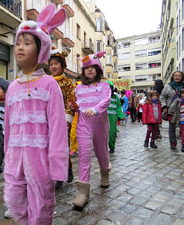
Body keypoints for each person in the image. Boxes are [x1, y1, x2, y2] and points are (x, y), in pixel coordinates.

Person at [3, 4, 67, 224]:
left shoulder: (49, 85)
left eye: (27, 43)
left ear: (41, 50)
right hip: (15, 157)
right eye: (18, 42)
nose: (20, 47)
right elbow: (8, 126)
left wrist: (58, 165)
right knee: (14, 202)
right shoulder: (12, 87)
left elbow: (58, 126)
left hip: (41, 158)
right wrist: (7, 156)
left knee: (41, 207)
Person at [72, 51, 111, 209]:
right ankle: (83, 192)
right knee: (84, 154)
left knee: (102, 153)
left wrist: (95, 109)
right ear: (83, 71)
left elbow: (106, 100)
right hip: (83, 125)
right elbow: (79, 106)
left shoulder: (104, 85)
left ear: (98, 69)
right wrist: (73, 108)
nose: (89, 70)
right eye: (86, 68)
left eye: (93, 67)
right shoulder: (78, 87)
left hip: (100, 124)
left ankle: (105, 173)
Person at [49, 47, 75, 189]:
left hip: (63, 119)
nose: (53, 66)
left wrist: (66, 120)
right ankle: (57, 174)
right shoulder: (46, 81)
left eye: (56, 64)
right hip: (49, 119)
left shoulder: (68, 83)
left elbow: (71, 102)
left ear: (62, 65)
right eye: (51, 64)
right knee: (51, 149)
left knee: (62, 148)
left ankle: (65, 171)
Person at [160, 71, 184, 149]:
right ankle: (173, 143)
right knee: (172, 128)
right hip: (172, 110)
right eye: (175, 75)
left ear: (182, 77)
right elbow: (162, 97)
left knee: (183, 127)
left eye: (179, 75)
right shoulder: (168, 86)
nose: (177, 77)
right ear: (173, 77)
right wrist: (164, 107)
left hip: (182, 109)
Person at [107, 81, 125, 153]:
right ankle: (102, 147)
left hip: (112, 117)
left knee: (112, 132)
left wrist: (121, 115)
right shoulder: (102, 97)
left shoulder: (116, 97)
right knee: (102, 133)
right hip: (103, 117)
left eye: (110, 88)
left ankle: (111, 147)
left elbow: (118, 107)